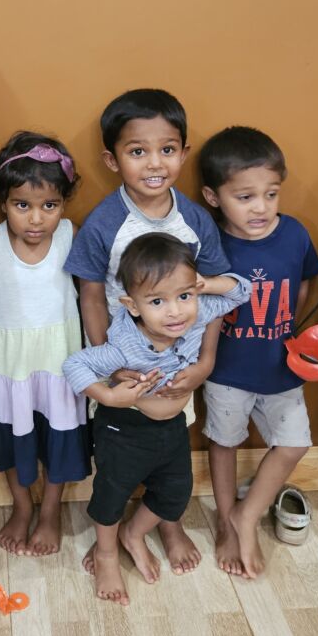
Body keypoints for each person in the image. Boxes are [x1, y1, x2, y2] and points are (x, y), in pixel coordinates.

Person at [65, 87, 241, 573]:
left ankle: (167, 522)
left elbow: (214, 297)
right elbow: (90, 296)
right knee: (119, 462)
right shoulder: (104, 224)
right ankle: (109, 542)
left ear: (184, 152)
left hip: (181, 364)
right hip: (125, 365)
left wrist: (205, 362)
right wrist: (112, 364)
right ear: (113, 159)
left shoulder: (196, 220)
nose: (155, 163)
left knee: (172, 454)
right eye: (137, 151)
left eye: (167, 149)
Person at [62, 233, 250, 605]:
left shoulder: (197, 313)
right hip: (124, 429)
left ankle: (134, 533)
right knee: (111, 496)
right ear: (132, 306)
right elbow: (75, 365)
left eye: (183, 296)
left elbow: (241, 291)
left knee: (176, 492)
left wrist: (204, 285)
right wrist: (110, 395)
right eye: (157, 301)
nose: (175, 312)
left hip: (173, 429)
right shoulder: (124, 346)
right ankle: (106, 553)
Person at [197, 126, 318, 579]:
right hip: (227, 371)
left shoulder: (293, 233)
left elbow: (305, 282)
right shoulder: (211, 245)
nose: (261, 207)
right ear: (213, 197)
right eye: (245, 197)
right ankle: (225, 519)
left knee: (295, 443)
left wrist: (288, 329)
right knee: (224, 443)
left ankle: (246, 514)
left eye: (271, 194)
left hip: (281, 367)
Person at [0, 131, 90, 557]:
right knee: (11, 440)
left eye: (49, 206)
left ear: (64, 203)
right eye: (22, 205)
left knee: (60, 437)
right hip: (7, 366)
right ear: (4, 202)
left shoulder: (71, 236)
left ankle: (51, 511)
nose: (36, 219)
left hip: (60, 363)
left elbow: (91, 298)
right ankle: (22, 507)